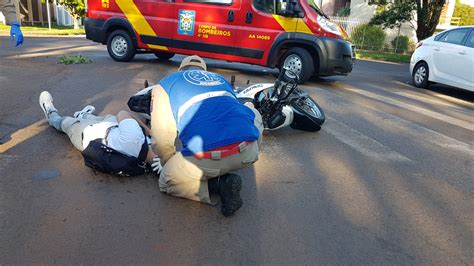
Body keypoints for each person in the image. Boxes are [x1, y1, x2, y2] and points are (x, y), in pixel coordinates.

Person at [149, 55, 263, 216]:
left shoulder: (166, 84)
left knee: (166, 182)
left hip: (206, 158)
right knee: (252, 111)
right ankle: (247, 154)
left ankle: (218, 185)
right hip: (247, 152)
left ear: (180, 70)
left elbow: (162, 137)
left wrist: (168, 162)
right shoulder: (220, 80)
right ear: (205, 71)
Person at [39, 91, 162, 175]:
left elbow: (123, 113)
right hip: (110, 131)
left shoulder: (136, 137)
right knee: (112, 120)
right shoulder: (143, 166)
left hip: (88, 133)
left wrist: (149, 131)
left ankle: (50, 112)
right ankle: (84, 115)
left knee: (64, 123)